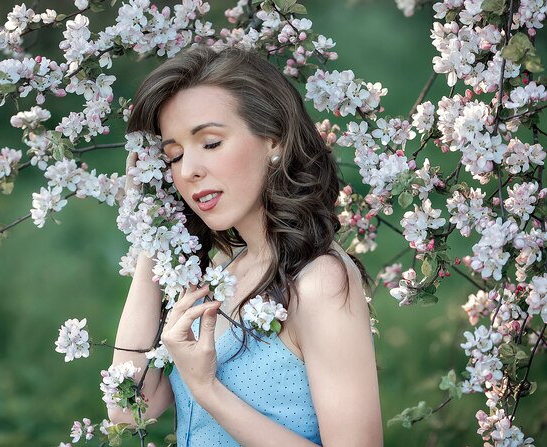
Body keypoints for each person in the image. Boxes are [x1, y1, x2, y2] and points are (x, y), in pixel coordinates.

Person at [109, 45, 383, 446]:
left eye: (211, 143)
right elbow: (129, 409)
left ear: (272, 140)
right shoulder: (223, 274)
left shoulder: (318, 281)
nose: (189, 171)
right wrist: (154, 227)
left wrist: (207, 390)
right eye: (173, 156)